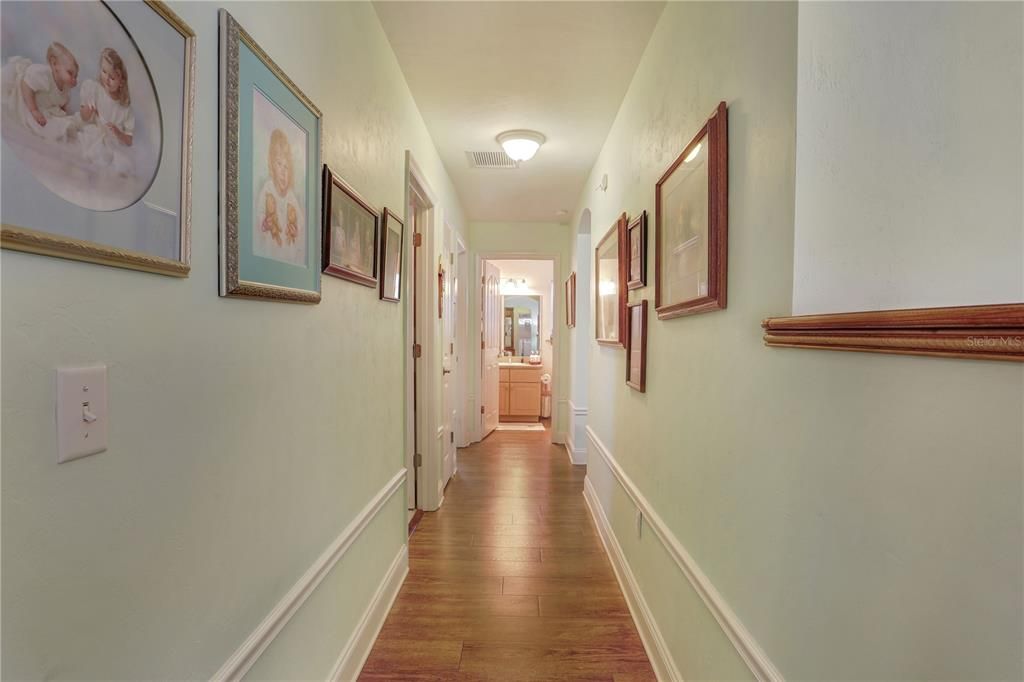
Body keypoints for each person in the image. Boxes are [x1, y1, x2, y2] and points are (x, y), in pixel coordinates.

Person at [2, 41, 79, 142]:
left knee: (59, 123)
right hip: (25, 96)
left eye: (76, 76)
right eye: (70, 73)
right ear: (54, 64)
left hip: (42, 106)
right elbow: (26, 85)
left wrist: (62, 110)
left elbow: (61, 103)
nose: (74, 79)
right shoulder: (44, 74)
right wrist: (33, 110)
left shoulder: (66, 90)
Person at [77, 48, 135, 176]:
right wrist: (88, 110)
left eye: (112, 77)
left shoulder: (124, 109)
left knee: (121, 164)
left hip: (112, 143)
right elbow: (83, 117)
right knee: (90, 147)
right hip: (93, 131)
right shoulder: (94, 89)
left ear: (121, 82)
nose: (107, 79)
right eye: (104, 71)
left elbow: (129, 141)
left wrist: (118, 132)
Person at [255, 128, 305, 265]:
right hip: (270, 255)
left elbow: (300, 221)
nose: (283, 172)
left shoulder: (291, 196)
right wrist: (264, 224)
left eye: (286, 167)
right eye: (279, 164)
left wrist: (296, 230)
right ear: (272, 165)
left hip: (289, 256)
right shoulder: (267, 189)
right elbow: (259, 213)